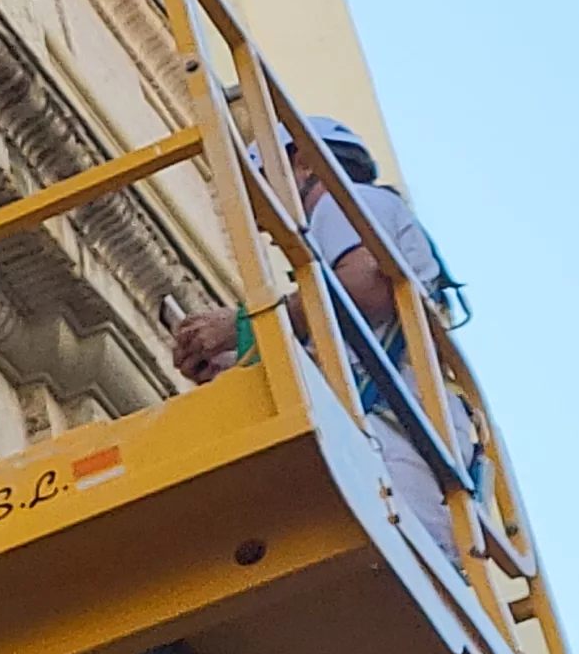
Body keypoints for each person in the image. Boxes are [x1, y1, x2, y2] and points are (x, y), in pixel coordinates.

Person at [167, 114, 475, 552]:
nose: (262, 223)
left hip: (392, 427)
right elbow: (334, 344)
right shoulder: (357, 228)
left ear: (307, 162)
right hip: (403, 423)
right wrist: (230, 365)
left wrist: (243, 326)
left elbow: (365, 287)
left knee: (409, 561)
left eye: (264, 184)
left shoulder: (344, 204)